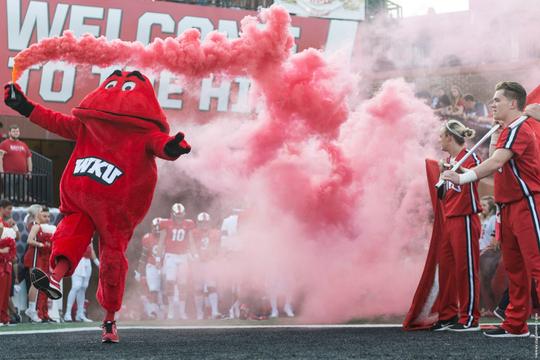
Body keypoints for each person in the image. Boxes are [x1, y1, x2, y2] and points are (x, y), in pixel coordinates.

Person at [4, 70, 191, 343]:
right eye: (113, 84)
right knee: (70, 232)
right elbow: (53, 120)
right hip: (81, 200)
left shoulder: (144, 132)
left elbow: (161, 146)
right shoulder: (86, 126)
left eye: (125, 87)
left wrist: (174, 147)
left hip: (118, 209)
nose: (116, 92)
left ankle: (109, 319)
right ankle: (55, 277)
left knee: (112, 261)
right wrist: (24, 106)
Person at [442, 81, 540, 337]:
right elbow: (495, 168)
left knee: (537, 266)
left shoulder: (520, 127)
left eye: (498, 99)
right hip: (508, 206)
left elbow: (498, 160)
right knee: (515, 269)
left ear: (513, 103)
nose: (493, 104)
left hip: (527, 203)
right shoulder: (510, 129)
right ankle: (515, 324)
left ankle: (516, 323)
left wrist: (463, 178)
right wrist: (466, 171)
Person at [430, 119, 482, 332]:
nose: (439, 139)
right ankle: (448, 315)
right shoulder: (448, 160)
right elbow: (443, 195)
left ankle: (470, 318)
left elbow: (475, 178)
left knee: (466, 270)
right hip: (449, 219)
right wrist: (442, 174)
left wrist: (457, 173)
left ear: (450, 137)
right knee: (447, 271)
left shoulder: (471, 157)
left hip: (465, 218)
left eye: (441, 135)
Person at [159, 203, 196, 320]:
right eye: (177, 216)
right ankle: (170, 311)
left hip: (183, 256)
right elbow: (161, 241)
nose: (179, 219)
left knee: (182, 284)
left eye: (181, 216)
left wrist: (194, 254)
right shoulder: (166, 224)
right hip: (170, 256)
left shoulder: (188, 224)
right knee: (170, 282)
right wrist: (158, 257)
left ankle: (181, 312)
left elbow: (191, 241)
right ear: (173, 215)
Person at [23, 205, 56, 322]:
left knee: (38, 284)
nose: (47, 218)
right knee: (35, 284)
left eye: (48, 216)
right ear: (38, 214)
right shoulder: (35, 225)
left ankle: (34, 310)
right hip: (34, 256)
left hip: (39, 257)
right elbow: (29, 240)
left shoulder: (41, 226)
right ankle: (31, 309)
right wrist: (41, 245)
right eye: (44, 215)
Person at [191, 212, 222, 320]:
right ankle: (199, 313)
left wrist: (214, 257)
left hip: (210, 261)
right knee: (198, 288)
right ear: (198, 223)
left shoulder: (215, 233)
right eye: (202, 222)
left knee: (211, 286)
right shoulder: (194, 232)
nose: (204, 225)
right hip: (198, 262)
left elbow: (217, 247)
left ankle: (214, 311)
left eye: (206, 222)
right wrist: (195, 255)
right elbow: (191, 245)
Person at [64, 240, 99, 322]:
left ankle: (80, 314)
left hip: (87, 261)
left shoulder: (90, 233)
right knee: (76, 286)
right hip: (78, 260)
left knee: (83, 288)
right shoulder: (76, 231)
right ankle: (67, 313)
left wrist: (97, 262)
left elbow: (91, 249)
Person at [135, 218, 162, 319]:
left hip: (164, 265)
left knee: (166, 290)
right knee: (153, 289)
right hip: (152, 266)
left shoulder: (166, 237)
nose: (157, 229)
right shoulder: (147, 238)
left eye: (158, 227)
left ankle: (165, 311)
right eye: (155, 227)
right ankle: (153, 312)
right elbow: (144, 256)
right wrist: (139, 271)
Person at [478, 196, 499, 315]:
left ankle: (491, 308)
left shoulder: (493, 220)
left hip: (489, 254)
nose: (482, 208)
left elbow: (493, 239)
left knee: (487, 282)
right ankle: (485, 308)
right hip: (482, 253)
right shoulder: (484, 219)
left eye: (485, 205)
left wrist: (487, 249)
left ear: (491, 207)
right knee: (483, 282)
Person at [0, 125, 32, 202]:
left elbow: (29, 158)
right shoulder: (4, 144)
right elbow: (0, 158)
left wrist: (30, 171)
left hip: (22, 174)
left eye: (17, 131)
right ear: (9, 133)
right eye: (14, 131)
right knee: (10, 196)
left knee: (22, 195)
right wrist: (1, 171)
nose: (16, 133)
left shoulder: (23, 145)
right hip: (9, 174)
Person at [0, 221, 17, 326]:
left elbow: (13, 257)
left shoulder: (7, 240)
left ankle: (3, 316)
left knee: (5, 294)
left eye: (1, 230)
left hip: (6, 268)